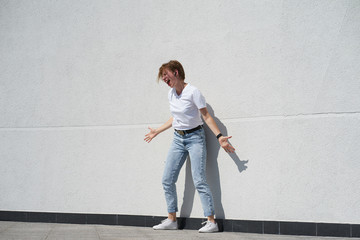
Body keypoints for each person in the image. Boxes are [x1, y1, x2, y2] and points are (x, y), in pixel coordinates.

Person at [144, 60, 235, 233]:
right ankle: (172, 220)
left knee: (199, 179)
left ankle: (212, 222)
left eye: (166, 74)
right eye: (162, 76)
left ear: (176, 72)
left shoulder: (193, 92)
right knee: (167, 179)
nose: (164, 78)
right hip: (178, 139)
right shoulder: (171, 94)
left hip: (195, 138)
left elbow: (206, 116)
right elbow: (176, 117)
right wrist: (157, 131)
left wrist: (219, 137)